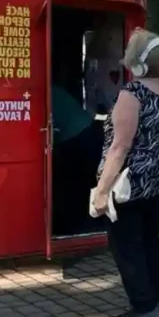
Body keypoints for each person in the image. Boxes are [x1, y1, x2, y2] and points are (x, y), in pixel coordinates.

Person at [91, 28, 159, 317]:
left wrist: (101, 190)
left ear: (137, 63)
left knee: (127, 247)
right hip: (158, 183)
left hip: (128, 185)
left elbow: (120, 147)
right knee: (150, 241)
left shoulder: (133, 94)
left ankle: (144, 309)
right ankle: (156, 302)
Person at [51, 67, 104, 236]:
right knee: (84, 182)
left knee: (71, 185)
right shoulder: (54, 90)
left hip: (78, 138)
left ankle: (74, 226)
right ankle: (89, 223)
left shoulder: (43, 94)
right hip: (88, 132)